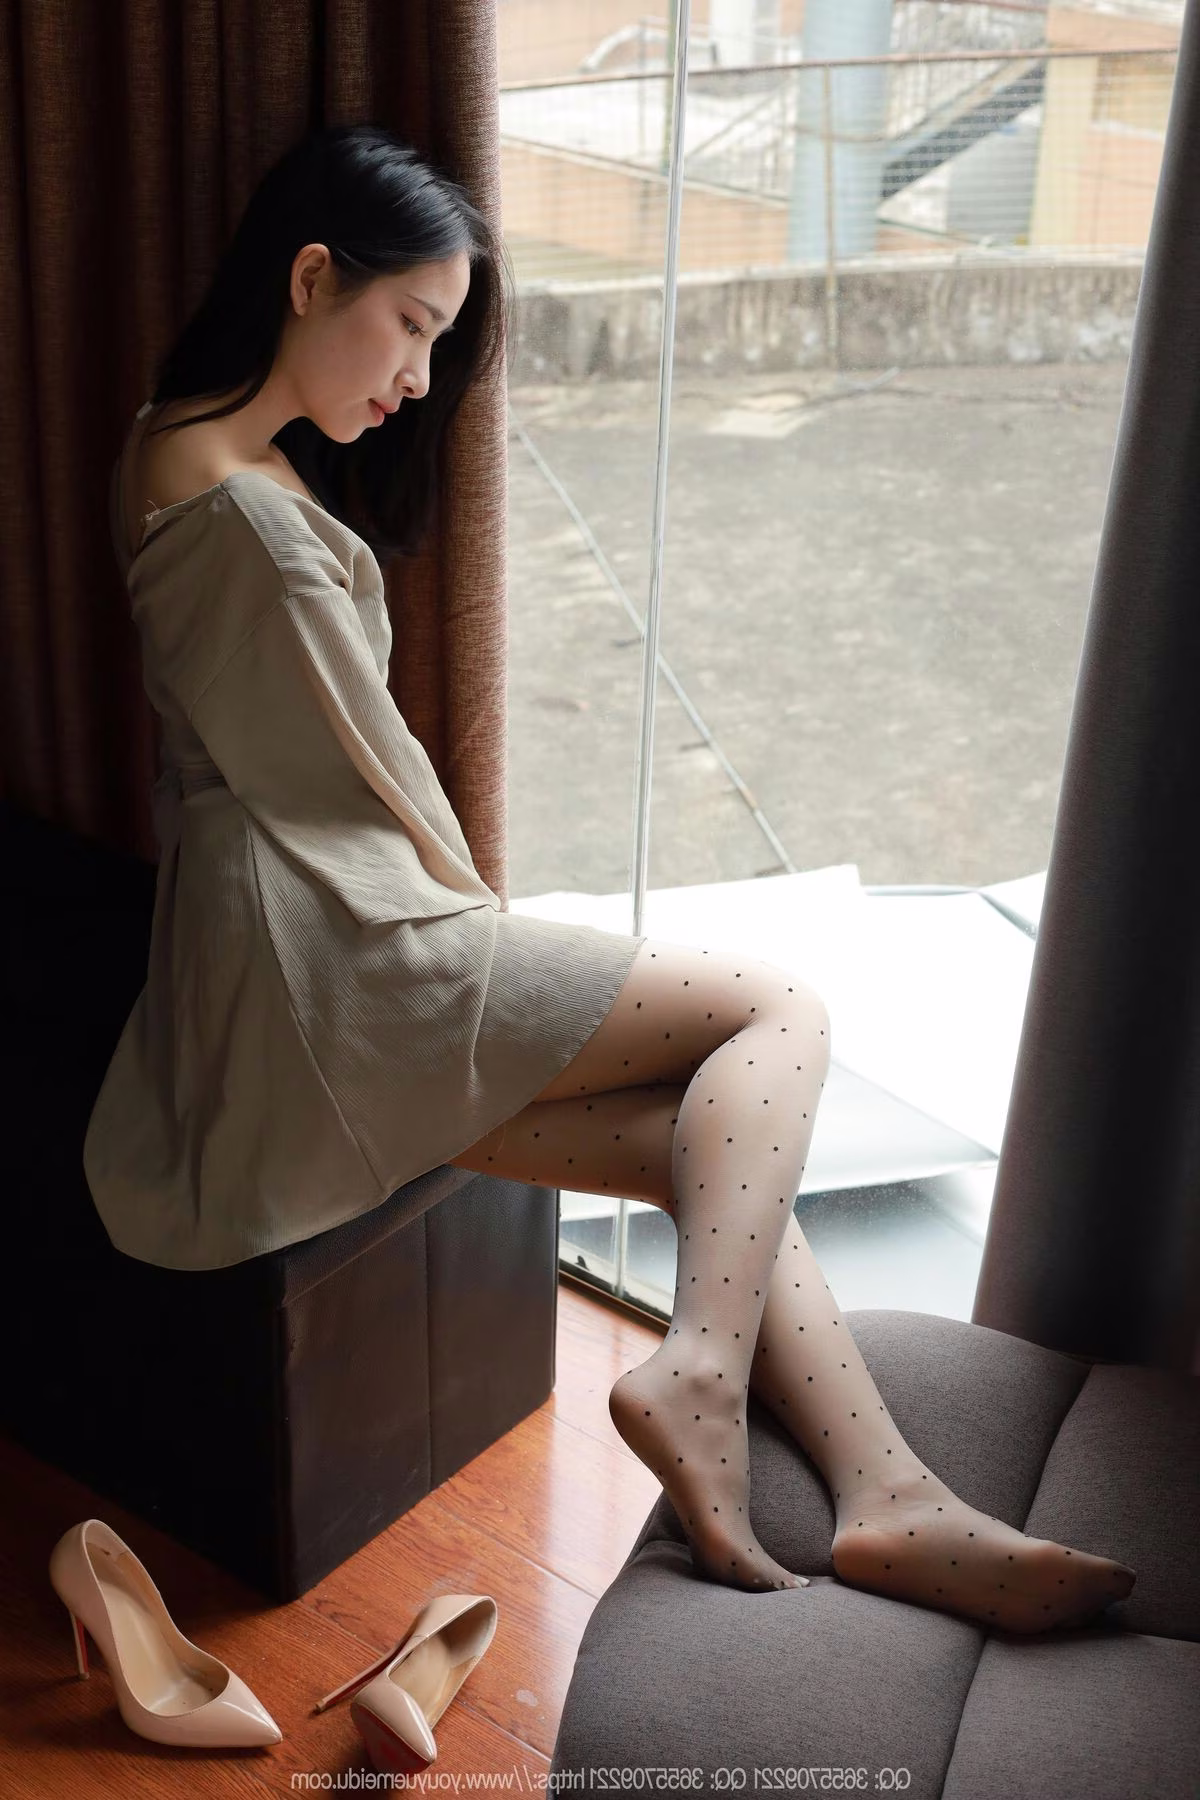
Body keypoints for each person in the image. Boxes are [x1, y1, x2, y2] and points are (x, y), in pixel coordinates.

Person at [95, 121, 1136, 1629]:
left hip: (258, 985)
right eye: (412, 325)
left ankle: (888, 1493)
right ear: (312, 277)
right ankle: (699, 1372)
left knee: (696, 1152)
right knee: (775, 1011)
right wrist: (486, 939)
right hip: (342, 962)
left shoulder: (166, 438)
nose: (418, 379)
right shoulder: (249, 518)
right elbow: (372, 780)